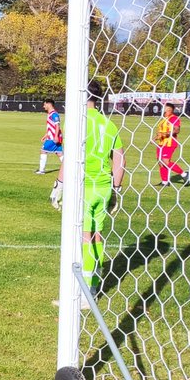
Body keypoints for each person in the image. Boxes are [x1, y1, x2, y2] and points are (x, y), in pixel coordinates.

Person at [80, 82, 126, 289]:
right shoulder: (109, 124)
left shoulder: (78, 122)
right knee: (97, 234)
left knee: (85, 236)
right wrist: (116, 190)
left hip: (85, 187)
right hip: (105, 187)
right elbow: (119, 161)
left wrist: (59, 185)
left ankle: (85, 293)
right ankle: (94, 286)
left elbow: (68, 158)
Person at [154, 102, 189, 185]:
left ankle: (184, 174)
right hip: (161, 143)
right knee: (160, 162)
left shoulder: (174, 118)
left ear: (169, 109)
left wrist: (165, 134)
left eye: (165, 108)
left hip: (170, 143)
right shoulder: (164, 119)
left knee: (165, 161)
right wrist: (155, 138)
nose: (163, 110)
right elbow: (161, 132)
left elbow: (177, 130)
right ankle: (165, 182)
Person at [36, 99, 63, 174]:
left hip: (53, 137)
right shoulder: (50, 114)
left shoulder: (54, 114)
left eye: (44, 104)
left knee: (43, 150)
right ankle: (69, 168)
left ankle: (41, 170)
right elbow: (51, 127)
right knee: (59, 153)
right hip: (53, 136)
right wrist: (46, 135)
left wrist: (56, 136)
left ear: (49, 104)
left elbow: (57, 125)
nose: (43, 106)